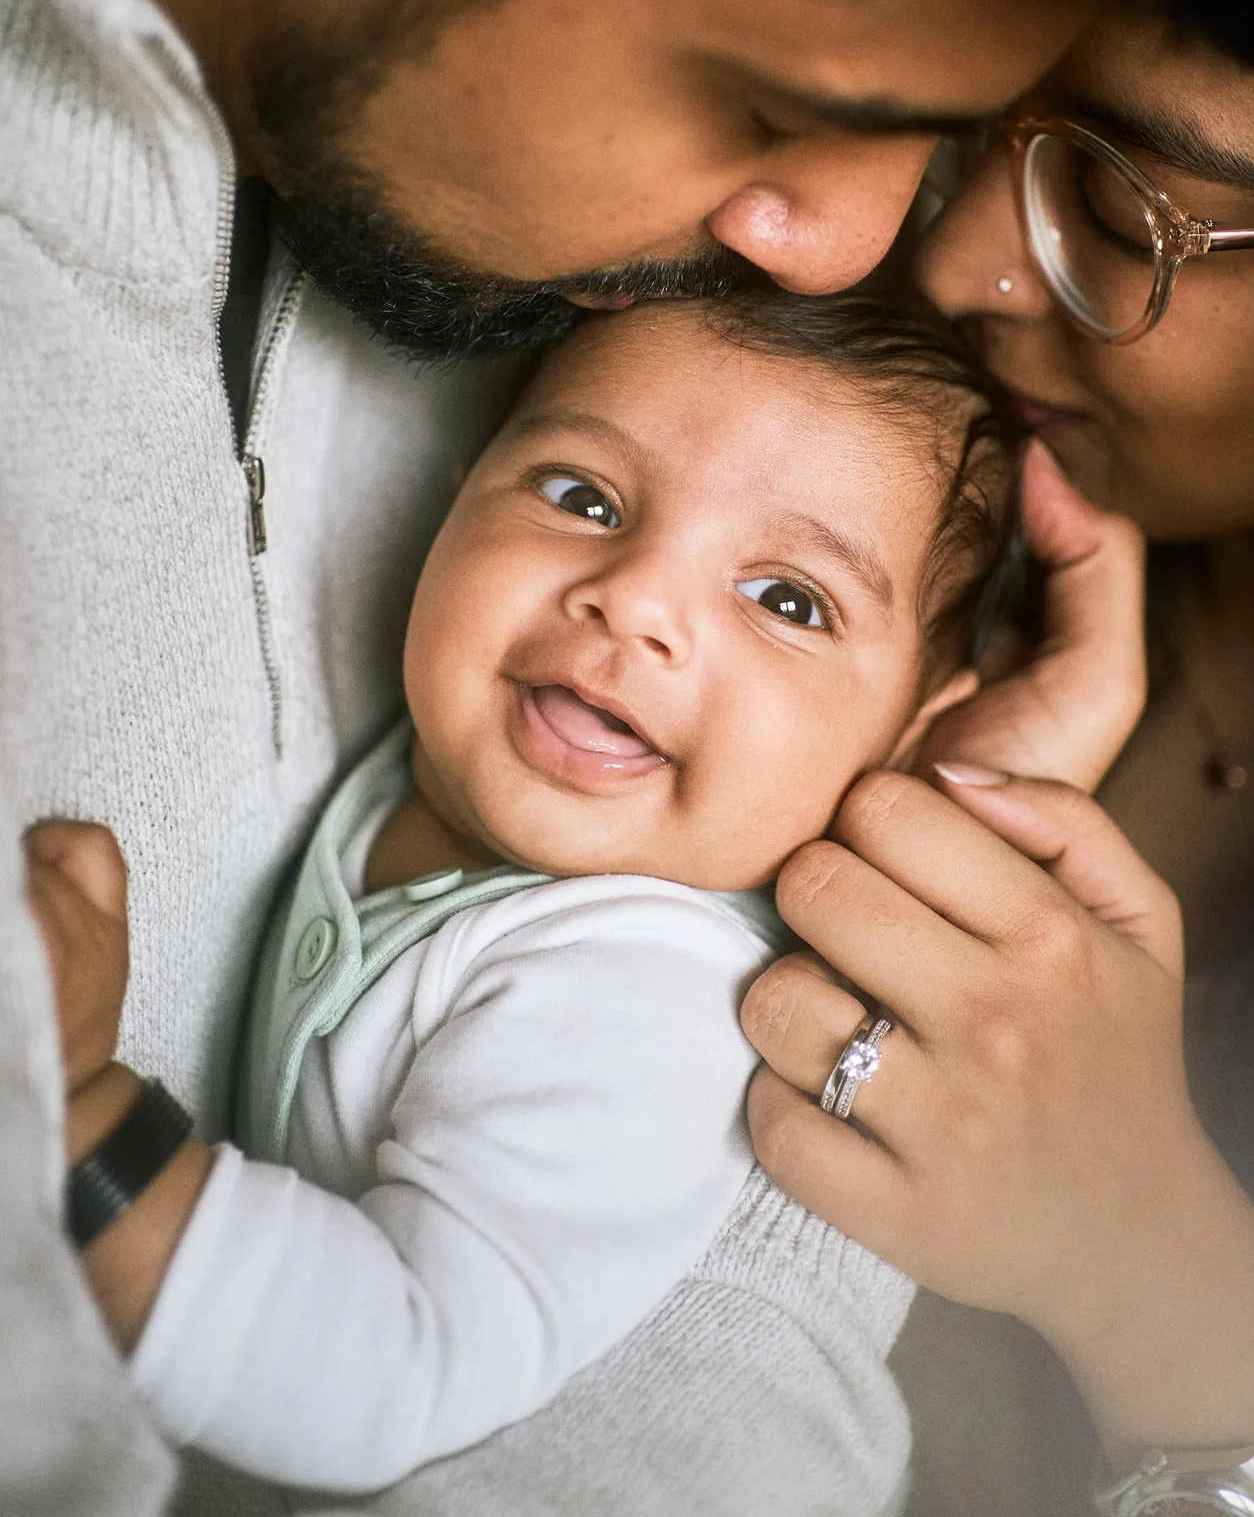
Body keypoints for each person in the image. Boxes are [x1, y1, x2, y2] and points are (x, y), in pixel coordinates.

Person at [5, 0, 1254, 1513]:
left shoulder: (573, 186)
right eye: (787, 104)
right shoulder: (591, 282)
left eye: (1122, 206)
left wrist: (1162, 1286)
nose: (902, 252)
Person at [28, 290, 1030, 1496]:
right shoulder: (426, 761)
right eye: (581, 496)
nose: (637, 598)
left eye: (786, 599)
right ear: (456, 490)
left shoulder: (639, 989)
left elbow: (392, 1367)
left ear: (908, 732)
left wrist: (75, 1114)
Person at [744, 14, 1254, 1512]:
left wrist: (1147, 1264)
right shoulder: (845, 487)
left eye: (1117, 209)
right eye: (965, 123)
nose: (952, 265)